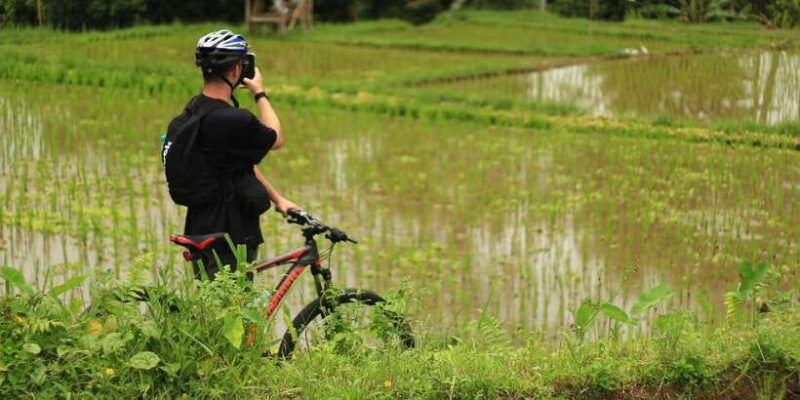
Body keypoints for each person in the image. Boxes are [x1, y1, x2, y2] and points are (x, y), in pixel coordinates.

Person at [173, 29, 298, 279]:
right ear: (235, 71)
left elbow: (239, 165)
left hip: (200, 226)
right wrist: (259, 93)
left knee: (210, 307)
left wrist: (278, 199)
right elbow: (277, 138)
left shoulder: (192, 112)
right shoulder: (233, 119)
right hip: (231, 234)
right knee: (232, 311)